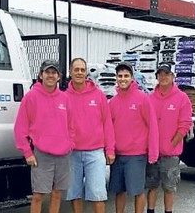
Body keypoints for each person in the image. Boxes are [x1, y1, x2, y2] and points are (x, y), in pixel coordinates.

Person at [14, 59, 74, 213]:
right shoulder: (31, 97)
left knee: (57, 193)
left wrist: (70, 144)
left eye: (54, 73)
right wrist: (27, 153)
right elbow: (20, 128)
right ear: (41, 75)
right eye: (47, 72)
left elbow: (71, 126)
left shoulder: (64, 98)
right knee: (38, 195)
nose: (51, 75)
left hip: (63, 155)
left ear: (59, 76)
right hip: (41, 155)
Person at [65, 57, 115, 213]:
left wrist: (110, 150)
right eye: (76, 70)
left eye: (82, 70)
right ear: (70, 72)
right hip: (72, 154)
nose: (80, 73)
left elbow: (107, 123)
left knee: (97, 194)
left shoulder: (98, 95)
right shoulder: (63, 97)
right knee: (74, 193)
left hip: (95, 153)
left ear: (86, 72)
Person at [108, 61, 159, 213]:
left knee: (137, 191)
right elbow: (108, 129)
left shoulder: (143, 99)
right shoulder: (113, 102)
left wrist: (153, 152)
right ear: (116, 78)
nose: (122, 79)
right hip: (118, 155)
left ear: (132, 78)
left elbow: (153, 126)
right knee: (119, 191)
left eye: (126, 76)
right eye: (119, 76)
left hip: (136, 155)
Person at [146, 63, 192, 213]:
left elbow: (184, 125)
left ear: (173, 76)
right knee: (151, 186)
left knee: (169, 187)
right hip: (152, 153)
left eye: (167, 73)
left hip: (170, 154)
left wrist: (171, 144)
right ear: (157, 76)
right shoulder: (149, 98)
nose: (163, 77)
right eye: (160, 74)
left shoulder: (182, 98)